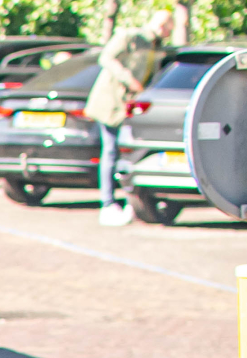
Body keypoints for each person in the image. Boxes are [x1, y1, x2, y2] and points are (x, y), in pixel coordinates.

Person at [91, 9, 173, 226]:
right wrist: (128, 79)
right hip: (111, 102)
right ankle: (107, 203)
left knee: (128, 152)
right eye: (167, 25)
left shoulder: (158, 46)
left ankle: (131, 202)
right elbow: (106, 58)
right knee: (110, 150)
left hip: (132, 106)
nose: (169, 30)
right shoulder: (130, 36)